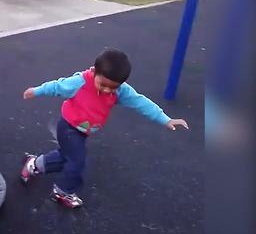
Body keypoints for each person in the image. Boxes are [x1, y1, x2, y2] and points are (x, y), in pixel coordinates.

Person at [20, 48, 189, 208]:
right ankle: (63, 191)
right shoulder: (80, 82)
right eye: (103, 85)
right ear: (94, 71)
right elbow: (57, 86)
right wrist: (36, 91)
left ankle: (34, 164)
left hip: (82, 132)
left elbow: (141, 102)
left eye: (113, 87)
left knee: (66, 156)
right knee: (77, 161)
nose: (108, 90)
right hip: (68, 127)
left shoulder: (120, 91)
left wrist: (165, 119)